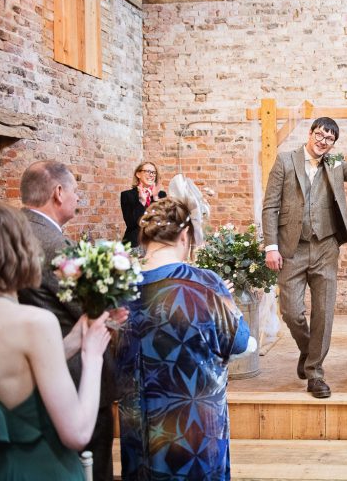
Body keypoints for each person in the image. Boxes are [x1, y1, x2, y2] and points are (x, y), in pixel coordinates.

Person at [115, 178, 250, 481]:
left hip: (141, 429)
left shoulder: (118, 287)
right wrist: (224, 300)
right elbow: (239, 341)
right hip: (194, 433)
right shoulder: (206, 283)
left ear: (144, 237)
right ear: (185, 235)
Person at [17, 160, 119, 481]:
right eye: (76, 191)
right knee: (94, 464)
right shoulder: (54, 245)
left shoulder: (16, 229)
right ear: (58, 192)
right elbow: (88, 306)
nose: (79, 198)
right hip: (72, 370)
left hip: (31, 364)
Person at [262, 113, 347, 398]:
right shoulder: (286, 161)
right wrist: (271, 246)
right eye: (320, 135)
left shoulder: (334, 164)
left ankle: (315, 374)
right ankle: (308, 349)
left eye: (330, 139)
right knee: (291, 311)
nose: (324, 141)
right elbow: (270, 206)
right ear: (310, 133)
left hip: (325, 247)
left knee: (323, 312)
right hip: (292, 247)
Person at [0, 202, 112, 480]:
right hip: (41, 467)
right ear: (20, 251)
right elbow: (78, 433)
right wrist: (93, 355)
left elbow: (16, 373)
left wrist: (74, 339)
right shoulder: (34, 322)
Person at [120, 161, 166, 249]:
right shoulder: (127, 195)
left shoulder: (161, 195)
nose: (152, 175)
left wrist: (156, 199)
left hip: (156, 243)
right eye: (148, 171)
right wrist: (141, 202)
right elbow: (131, 223)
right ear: (138, 174)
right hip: (134, 244)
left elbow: (163, 221)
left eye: (153, 172)